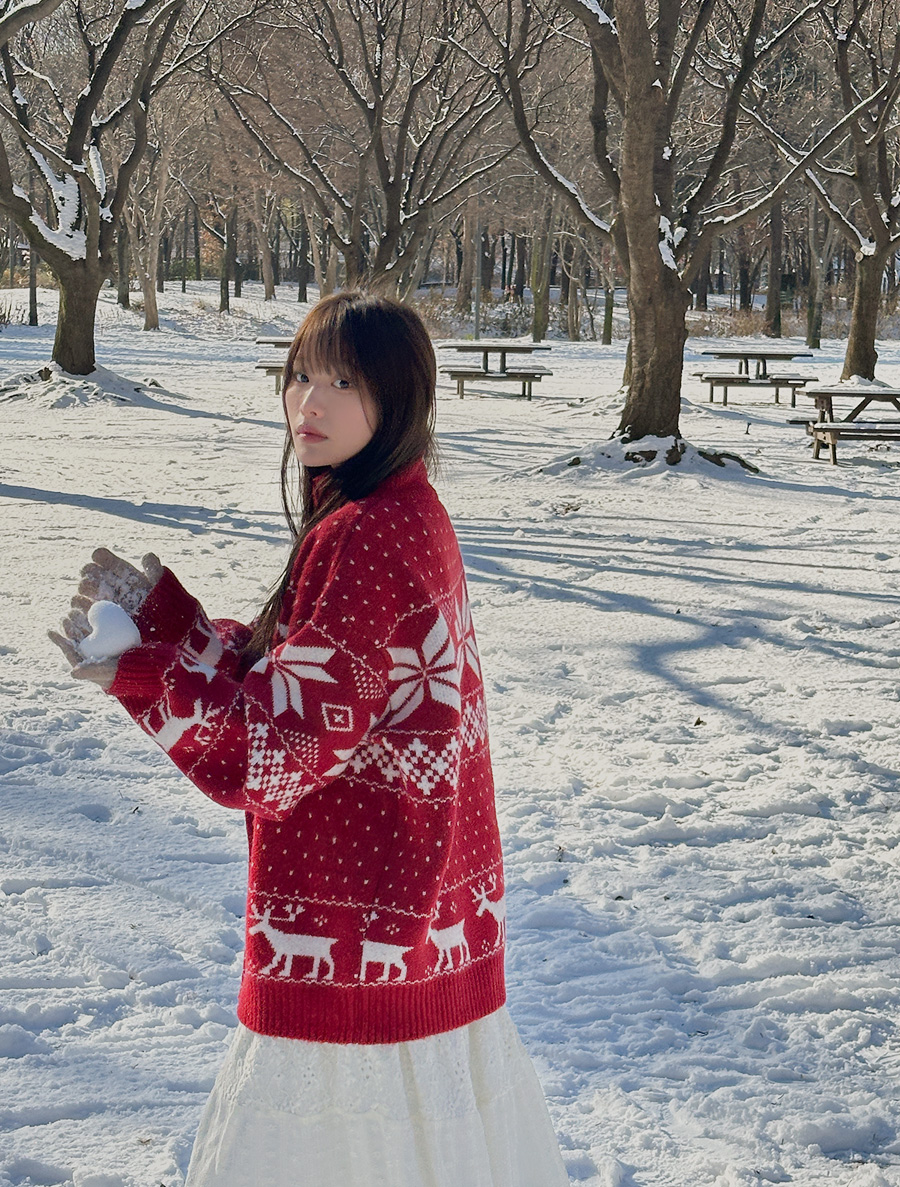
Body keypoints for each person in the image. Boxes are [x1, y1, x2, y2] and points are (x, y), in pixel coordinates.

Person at [50, 291, 569, 1187]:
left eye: (343, 382)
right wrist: (170, 626)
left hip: (354, 920)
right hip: (418, 918)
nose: (309, 402)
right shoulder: (403, 509)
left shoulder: (367, 536)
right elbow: (313, 683)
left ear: (398, 398)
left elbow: (278, 752)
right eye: (300, 375)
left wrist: (145, 675)